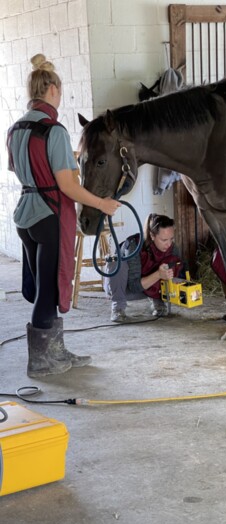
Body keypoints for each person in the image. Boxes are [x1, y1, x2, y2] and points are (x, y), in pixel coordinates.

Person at [6, 54, 121, 378]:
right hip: (49, 216)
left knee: (44, 285)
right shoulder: (53, 131)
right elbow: (68, 185)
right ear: (53, 89)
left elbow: (17, 170)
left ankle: (54, 350)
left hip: (25, 215)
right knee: (48, 288)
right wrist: (101, 203)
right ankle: (41, 360)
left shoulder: (16, 130)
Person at [104, 213, 184, 322]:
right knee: (117, 261)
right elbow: (134, 286)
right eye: (164, 240)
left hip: (147, 289)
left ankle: (158, 300)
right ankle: (118, 307)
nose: (169, 244)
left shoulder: (172, 248)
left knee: (168, 264)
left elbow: (180, 274)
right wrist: (158, 274)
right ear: (152, 235)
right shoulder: (134, 245)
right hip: (125, 288)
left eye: (171, 239)